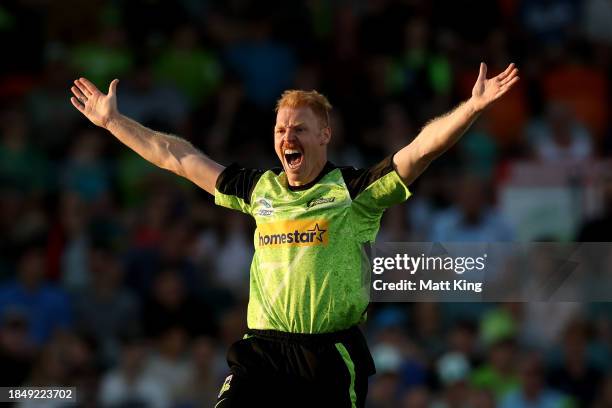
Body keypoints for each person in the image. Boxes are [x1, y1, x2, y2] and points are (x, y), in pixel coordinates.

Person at [70, 62, 519, 407]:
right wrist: (113, 122)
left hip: (328, 357)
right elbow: (177, 156)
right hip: (262, 353)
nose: (288, 136)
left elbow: (421, 149)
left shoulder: (353, 190)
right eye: (281, 128)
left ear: (324, 134)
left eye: (299, 128)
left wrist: (472, 108)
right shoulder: (259, 189)